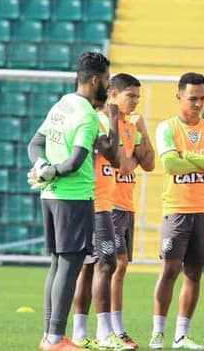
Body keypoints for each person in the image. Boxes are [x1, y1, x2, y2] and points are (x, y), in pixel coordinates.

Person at [27, 51, 110, 350]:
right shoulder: (88, 114)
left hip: (49, 196)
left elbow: (34, 144)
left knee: (57, 264)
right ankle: (55, 338)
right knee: (70, 264)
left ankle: (50, 335)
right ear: (95, 80)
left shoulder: (61, 104)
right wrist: (51, 171)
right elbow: (76, 161)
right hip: (73, 197)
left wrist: (41, 169)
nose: (108, 87)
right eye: (108, 81)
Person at [149, 72, 204, 350]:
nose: (198, 104)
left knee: (195, 273)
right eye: (192, 98)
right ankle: (158, 332)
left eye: (203, 98)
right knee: (170, 269)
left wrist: (189, 157)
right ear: (179, 96)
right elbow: (170, 165)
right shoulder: (166, 128)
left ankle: (181, 335)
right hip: (177, 209)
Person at [71, 97, 132, 350]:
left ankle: (79, 333)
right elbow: (115, 158)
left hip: (98, 201)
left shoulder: (96, 121)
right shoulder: (94, 121)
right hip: (97, 203)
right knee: (106, 265)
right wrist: (115, 121)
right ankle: (105, 334)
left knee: (89, 268)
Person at [109, 73, 156, 349]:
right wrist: (133, 157)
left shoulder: (131, 126)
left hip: (127, 204)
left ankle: (113, 328)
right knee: (116, 266)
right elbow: (125, 164)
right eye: (131, 95)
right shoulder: (108, 125)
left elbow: (148, 164)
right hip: (109, 204)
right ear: (113, 95)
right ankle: (115, 329)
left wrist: (143, 130)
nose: (136, 101)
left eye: (138, 96)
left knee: (120, 268)